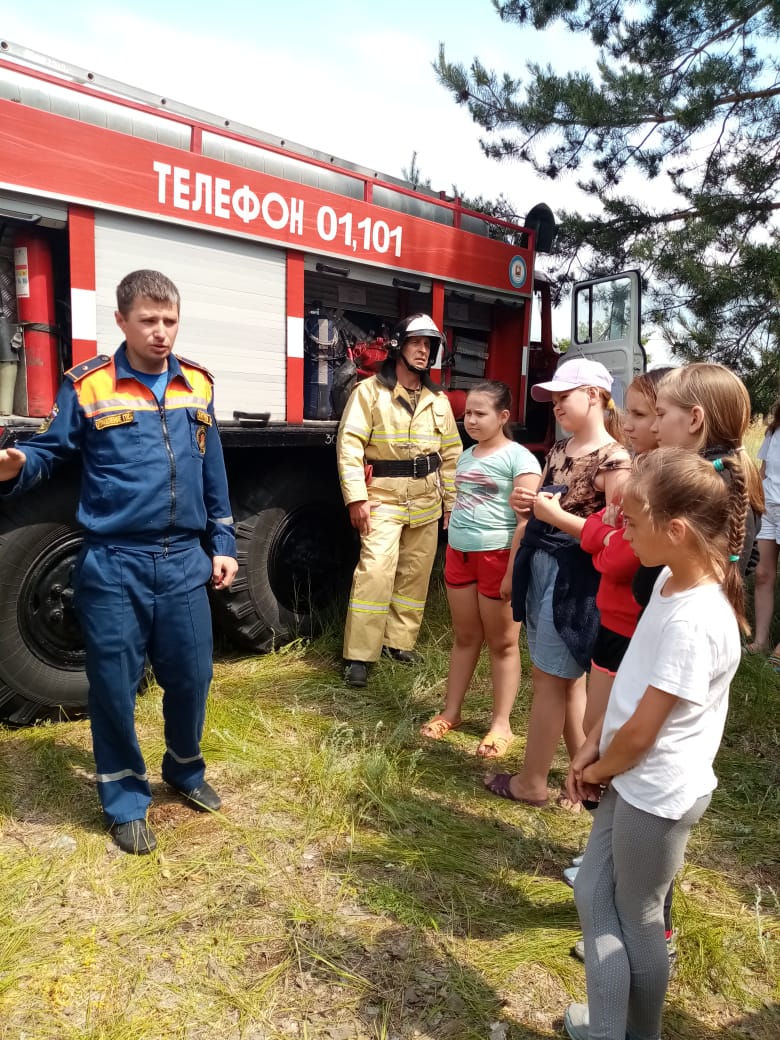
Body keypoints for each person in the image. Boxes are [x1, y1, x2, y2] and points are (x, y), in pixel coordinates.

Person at [0, 270, 237, 855]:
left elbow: (213, 471)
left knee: (192, 677)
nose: (161, 333)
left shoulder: (198, 385)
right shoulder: (88, 385)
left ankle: (184, 769)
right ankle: (126, 800)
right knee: (112, 687)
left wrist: (224, 544)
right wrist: (14, 463)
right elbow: (50, 450)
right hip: (114, 562)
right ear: (122, 321)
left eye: (170, 321)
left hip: (184, 560)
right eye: (149, 321)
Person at [562, 447, 748, 1040]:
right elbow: (633, 687)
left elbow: (645, 730)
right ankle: (629, 1031)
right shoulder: (672, 576)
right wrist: (593, 740)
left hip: (654, 793)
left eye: (632, 521)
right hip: (632, 778)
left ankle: (616, 1032)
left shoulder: (696, 619)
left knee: (635, 914)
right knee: (597, 892)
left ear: (675, 530)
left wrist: (596, 771)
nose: (620, 529)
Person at [485, 357, 630, 808]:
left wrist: (554, 516)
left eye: (563, 397)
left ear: (594, 395)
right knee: (566, 679)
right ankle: (581, 777)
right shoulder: (559, 450)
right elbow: (535, 516)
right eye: (552, 399)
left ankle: (532, 782)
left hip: (577, 581)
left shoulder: (616, 461)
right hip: (543, 568)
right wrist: (525, 510)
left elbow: (618, 537)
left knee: (550, 678)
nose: (555, 406)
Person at [336, 313, 461, 688]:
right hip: (382, 501)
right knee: (375, 573)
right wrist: (356, 498)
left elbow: (452, 455)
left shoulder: (439, 401)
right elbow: (350, 447)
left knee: (415, 575)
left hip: (426, 501)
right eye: (417, 343)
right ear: (399, 347)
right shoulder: (369, 393)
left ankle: (398, 643)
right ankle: (359, 655)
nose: (424, 351)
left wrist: (450, 505)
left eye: (430, 345)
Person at [419, 381, 541, 756]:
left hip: (498, 556)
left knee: (503, 643)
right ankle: (451, 712)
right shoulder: (467, 456)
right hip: (460, 554)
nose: (470, 419)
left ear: (503, 417)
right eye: (467, 412)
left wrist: (510, 573)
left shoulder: (521, 459)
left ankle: (501, 725)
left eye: (479, 413)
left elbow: (525, 521)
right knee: (464, 637)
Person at [748, 396, 780, 667]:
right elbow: (763, 471)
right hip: (769, 507)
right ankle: (760, 641)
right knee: (762, 574)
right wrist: (755, 503)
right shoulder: (774, 430)